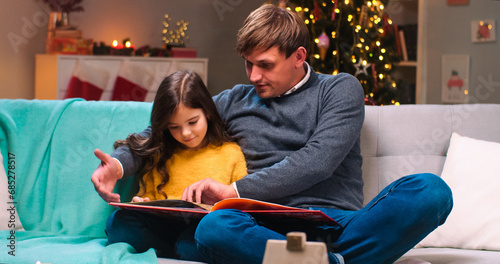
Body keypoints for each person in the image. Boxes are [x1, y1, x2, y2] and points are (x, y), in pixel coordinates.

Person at [92, 4, 453, 264]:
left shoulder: (339, 89)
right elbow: (165, 129)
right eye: (248, 63)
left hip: (334, 222)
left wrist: (233, 191)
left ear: (299, 56)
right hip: (258, 224)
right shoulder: (236, 99)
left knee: (431, 192)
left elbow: (319, 161)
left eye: (264, 65)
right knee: (139, 225)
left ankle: (304, 258)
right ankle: (325, 262)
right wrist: (120, 166)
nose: (252, 76)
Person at [99, 70, 247, 258]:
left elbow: (240, 205)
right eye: (174, 127)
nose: (185, 133)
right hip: (163, 227)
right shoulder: (160, 153)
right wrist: (141, 202)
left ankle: (180, 249)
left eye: (193, 122)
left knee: (198, 239)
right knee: (117, 223)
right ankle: (178, 250)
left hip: (202, 229)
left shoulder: (230, 153)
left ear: (208, 113)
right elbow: (148, 196)